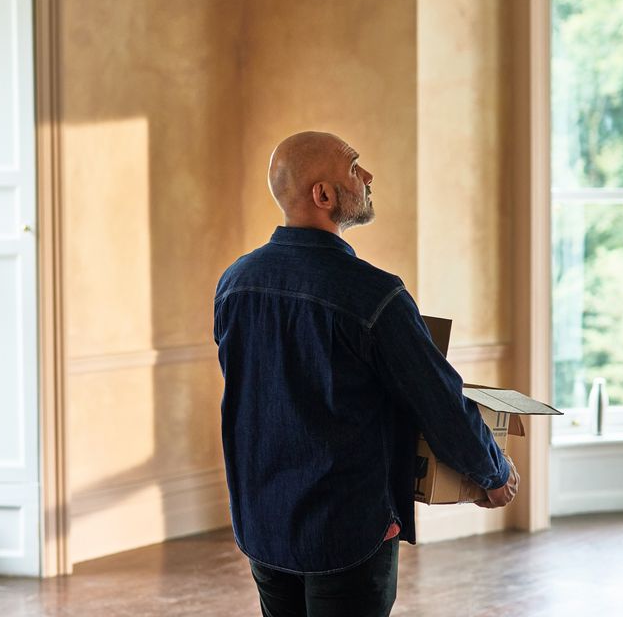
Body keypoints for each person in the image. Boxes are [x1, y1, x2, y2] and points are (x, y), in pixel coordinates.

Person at [213, 131, 520, 617]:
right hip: (347, 527)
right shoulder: (374, 295)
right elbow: (438, 400)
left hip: (263, 522)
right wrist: (492, 472)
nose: (368, 176)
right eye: (355, 167)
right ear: (324, 195)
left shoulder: (235, 283)